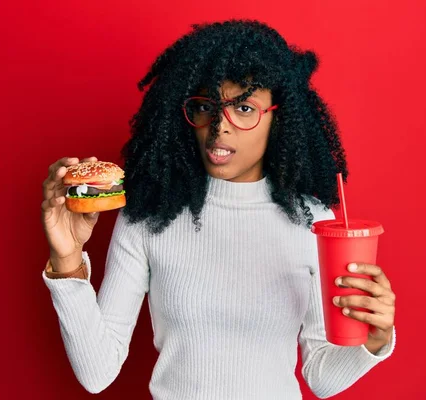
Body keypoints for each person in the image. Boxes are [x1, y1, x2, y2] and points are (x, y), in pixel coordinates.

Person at [40, 20, 396, 399]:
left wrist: (375, 340)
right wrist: (66, 260)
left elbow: (322, 377)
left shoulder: (313, 223)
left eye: (244, 107)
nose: (220, 126)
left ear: (280, 118)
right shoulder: (150, 215)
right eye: (207, 106)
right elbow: (97, 372)